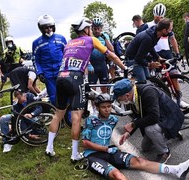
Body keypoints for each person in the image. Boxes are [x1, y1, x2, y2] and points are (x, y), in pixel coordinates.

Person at [82, 93, 189, 180]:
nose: (107, 109)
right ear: (97, 107)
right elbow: (85, 143)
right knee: (116, 175)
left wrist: (127, 134)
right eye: (103, 107)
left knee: (139, 161)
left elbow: (137, 120)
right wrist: (105, 149)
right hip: (93, 155)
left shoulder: (113, 120)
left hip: (109, 151)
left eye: (109, 106)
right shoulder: (91, 120)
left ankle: (176, 170)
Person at [45, 17, 127, 162]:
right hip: (75, 78)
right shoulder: (91, 40)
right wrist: (124, 68)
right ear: (86, 29)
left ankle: (49, 147)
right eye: (89, 28)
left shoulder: (70, 42)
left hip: (61, 77)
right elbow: (111, 55)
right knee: (77, 117)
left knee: (58, 115)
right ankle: (74, 154)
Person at [113, 79, 184, 163]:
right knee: (145, 148)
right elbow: (139, 117)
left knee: (150, 129)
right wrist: (129, 133)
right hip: (160, 118)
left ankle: (165, 152)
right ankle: (169, 134)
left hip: (171, 118)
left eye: (119, 98)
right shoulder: (133, 96)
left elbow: (153, 117)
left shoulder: (148, 93)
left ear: (127, 95)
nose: (119, 101)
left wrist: (133, 124)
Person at [32, 14, 67, 105]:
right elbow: (36, 60)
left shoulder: (61, 38)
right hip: (48, 75)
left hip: (62, 72)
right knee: (53, 97)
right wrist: (39, 73)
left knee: (66, 95)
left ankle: (69, 118)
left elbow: (67, 54)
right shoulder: (36, 43)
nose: (49, 29)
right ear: (41, 29)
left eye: (51, 27)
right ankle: (59, 117)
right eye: (46, 28)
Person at [88, 17, 114, 94]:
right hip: (93, 65)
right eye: (95, 29)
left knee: (104, 87)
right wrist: (88, 64)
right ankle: (94, 106)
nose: (97, 31)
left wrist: (104, 38)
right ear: (92, 28)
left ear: (101, 28)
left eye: (98, 28)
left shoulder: (105, 36)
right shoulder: (89, 37)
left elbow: (111, 49)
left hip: (102, 64)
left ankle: (105, 103)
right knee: (92, 89)